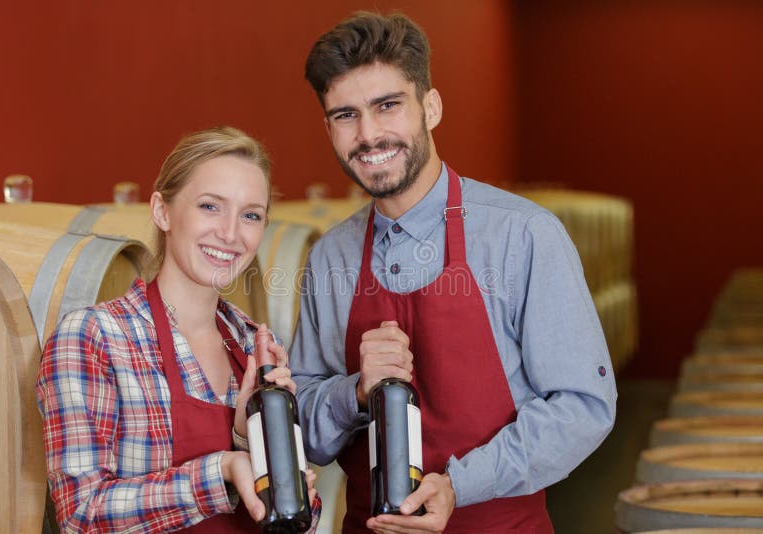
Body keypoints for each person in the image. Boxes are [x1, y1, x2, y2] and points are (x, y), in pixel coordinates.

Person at [290, 12, 617, 533]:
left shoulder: (523, 235)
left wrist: (460, 484)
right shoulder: (330, 257)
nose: (369, 134)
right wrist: (352, 392)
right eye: (346, 115)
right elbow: (303, 434)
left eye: (388, 106)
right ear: (328, 127)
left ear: (431, 107)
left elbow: (583, 406)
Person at [36, 126, 320, 533]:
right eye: (210, 206)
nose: (230, 233)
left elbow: (298, 518)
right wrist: (222, 469)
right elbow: (82, 516)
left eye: (251, 215)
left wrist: (251, 444)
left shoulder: (255, 342)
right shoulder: (94, 337)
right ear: (162, 211)